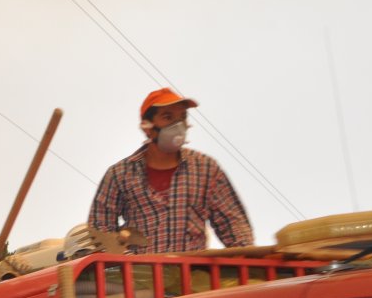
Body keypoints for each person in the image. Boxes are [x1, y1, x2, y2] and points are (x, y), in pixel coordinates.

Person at [88, 87, 253, 253]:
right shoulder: (120, 175)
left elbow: (234, 225)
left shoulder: (206, 169)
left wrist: (248, 257)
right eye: (168, 117)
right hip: (140, 269)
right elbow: (100, 230)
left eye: (183, 117)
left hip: (192, 268)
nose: (178, 125)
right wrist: (125, 258)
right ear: (147, 127)